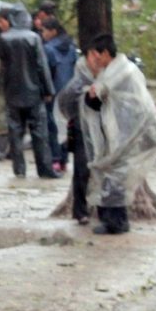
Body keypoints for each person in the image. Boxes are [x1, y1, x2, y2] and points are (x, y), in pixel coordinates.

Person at [79, 34, 156, 235]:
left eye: (96, 56)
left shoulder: (122, 71)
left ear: (106, 53)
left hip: (131, 131)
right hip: (118, 131)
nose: (94, 61)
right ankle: (110, 219)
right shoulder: (112, 71)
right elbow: (98, 100)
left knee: (118, 174)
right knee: (110, 173)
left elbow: (115, 97)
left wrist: (95, 93)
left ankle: (117, 222)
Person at [0, 6, 60, 179]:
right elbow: (41, 66)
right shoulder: (34, 38)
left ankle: (19, 170)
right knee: (40, 133)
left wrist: (1, 89)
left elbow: (3, 67)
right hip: (33, 93)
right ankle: (45, 169)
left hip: (12, 93)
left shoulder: (3, 39)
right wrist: (48, 90)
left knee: (15, 133)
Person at [55, 56, 95, 225]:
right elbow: (65, 104)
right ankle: (80, 211)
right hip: (81, 130)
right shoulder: (77, 84)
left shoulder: (109, 79)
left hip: (101, 129)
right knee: (82, 168)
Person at [41, 18, 78, 172]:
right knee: (66, 125)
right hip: (69, 90)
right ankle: (63, 159)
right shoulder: (71, 47)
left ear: (53, 31)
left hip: (54, 92)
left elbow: (47, 71)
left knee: (52, 126)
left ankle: (55, 158)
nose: (42, 34)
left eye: (44, 30)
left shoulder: (48, 49)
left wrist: (46, 90)